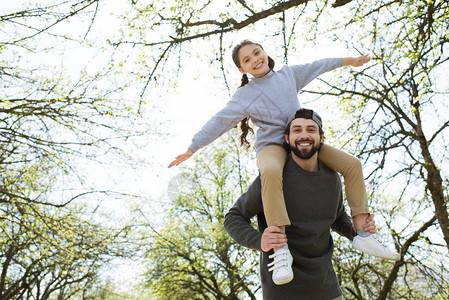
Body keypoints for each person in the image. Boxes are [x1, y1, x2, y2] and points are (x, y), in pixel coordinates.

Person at [169, 39, 399, 285]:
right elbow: (220, 120)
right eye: (247, 60)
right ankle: (280, 247)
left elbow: (318, 65)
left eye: (257, 53)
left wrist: (350, 61)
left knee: (352, 163)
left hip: (301, 142)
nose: (255, 59)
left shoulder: (288, 75)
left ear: (265, 52)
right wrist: (193, 147)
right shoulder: (245, 95)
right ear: (242, 70)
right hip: (272, 147)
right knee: (269, 170)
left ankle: (363, 233)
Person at [223, 109, 399, 299]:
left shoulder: (332, 178)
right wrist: (260, 241)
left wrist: (356, 232)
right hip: (282, 291)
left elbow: (337, 218)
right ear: (287, 139)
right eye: (297, 130)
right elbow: (233, 218)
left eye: (311, 130)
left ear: (321, 137)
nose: (304, 135)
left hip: (326, 288)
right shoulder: (272, 177)